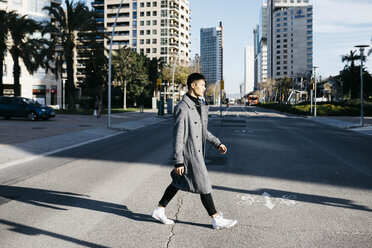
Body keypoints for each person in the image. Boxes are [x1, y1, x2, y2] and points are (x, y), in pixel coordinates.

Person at [151, 73, 237, 230]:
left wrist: (217, 143)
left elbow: (203, 131)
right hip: (189, 154)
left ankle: (159, 209)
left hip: (197, 152)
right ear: (193, 85)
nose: (204, 88)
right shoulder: (183, 108)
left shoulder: (198, 105)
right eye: (202, 85)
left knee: (177, 182)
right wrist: (178, 160)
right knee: (204, 184)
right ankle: (216, 218)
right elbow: (178, 137)